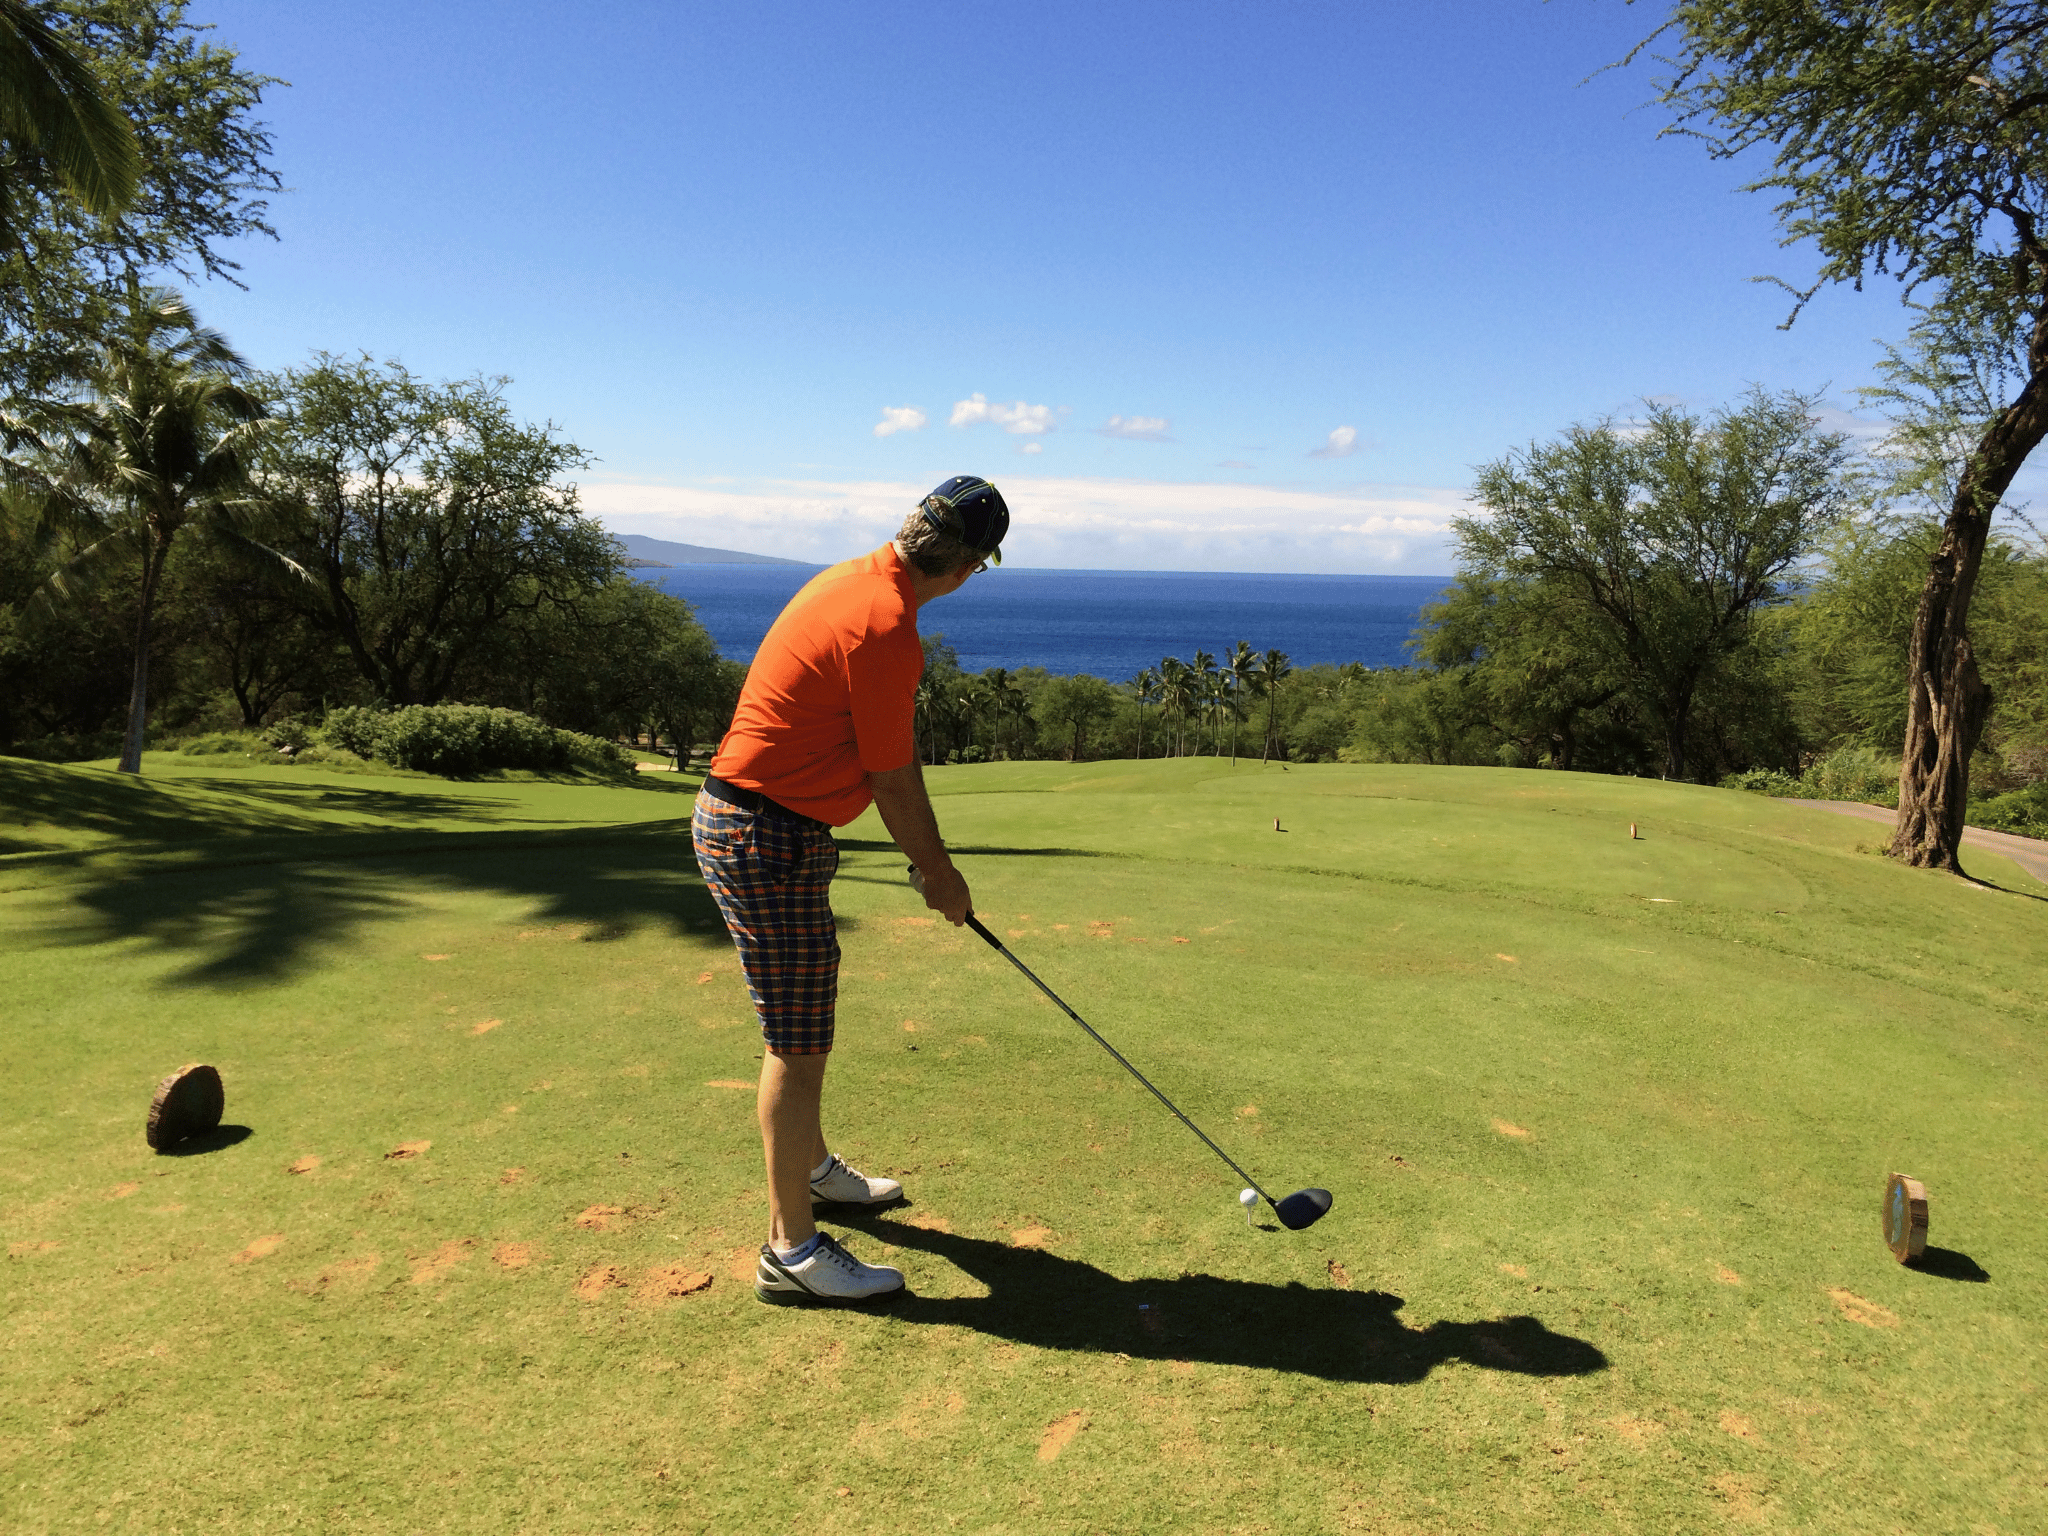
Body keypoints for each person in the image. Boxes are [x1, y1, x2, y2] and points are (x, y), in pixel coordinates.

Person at [692, 475, 1008, 1306]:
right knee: (797, 1042)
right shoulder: (885, 628)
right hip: (766, 835)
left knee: (804, 1015)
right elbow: (891, 773)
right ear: (972, 565)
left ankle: (817, 1169)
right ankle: (790, 1251)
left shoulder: (850, 579)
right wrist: (939, 875)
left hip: (758, 825)